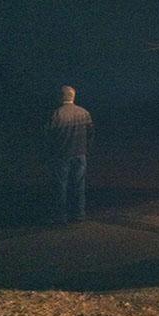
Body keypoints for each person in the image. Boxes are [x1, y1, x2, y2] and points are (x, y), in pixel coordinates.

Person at [45, 85, 94, 224]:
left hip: (61, 154)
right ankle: (79, 214)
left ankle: (60, 216)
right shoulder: (84, 113)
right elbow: (91, 134)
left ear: (61, 97)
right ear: (73, 96)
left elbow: (48, 136)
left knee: (60, 186)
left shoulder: (56, 114)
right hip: (80, 153)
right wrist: (86, 149)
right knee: (79, 184)